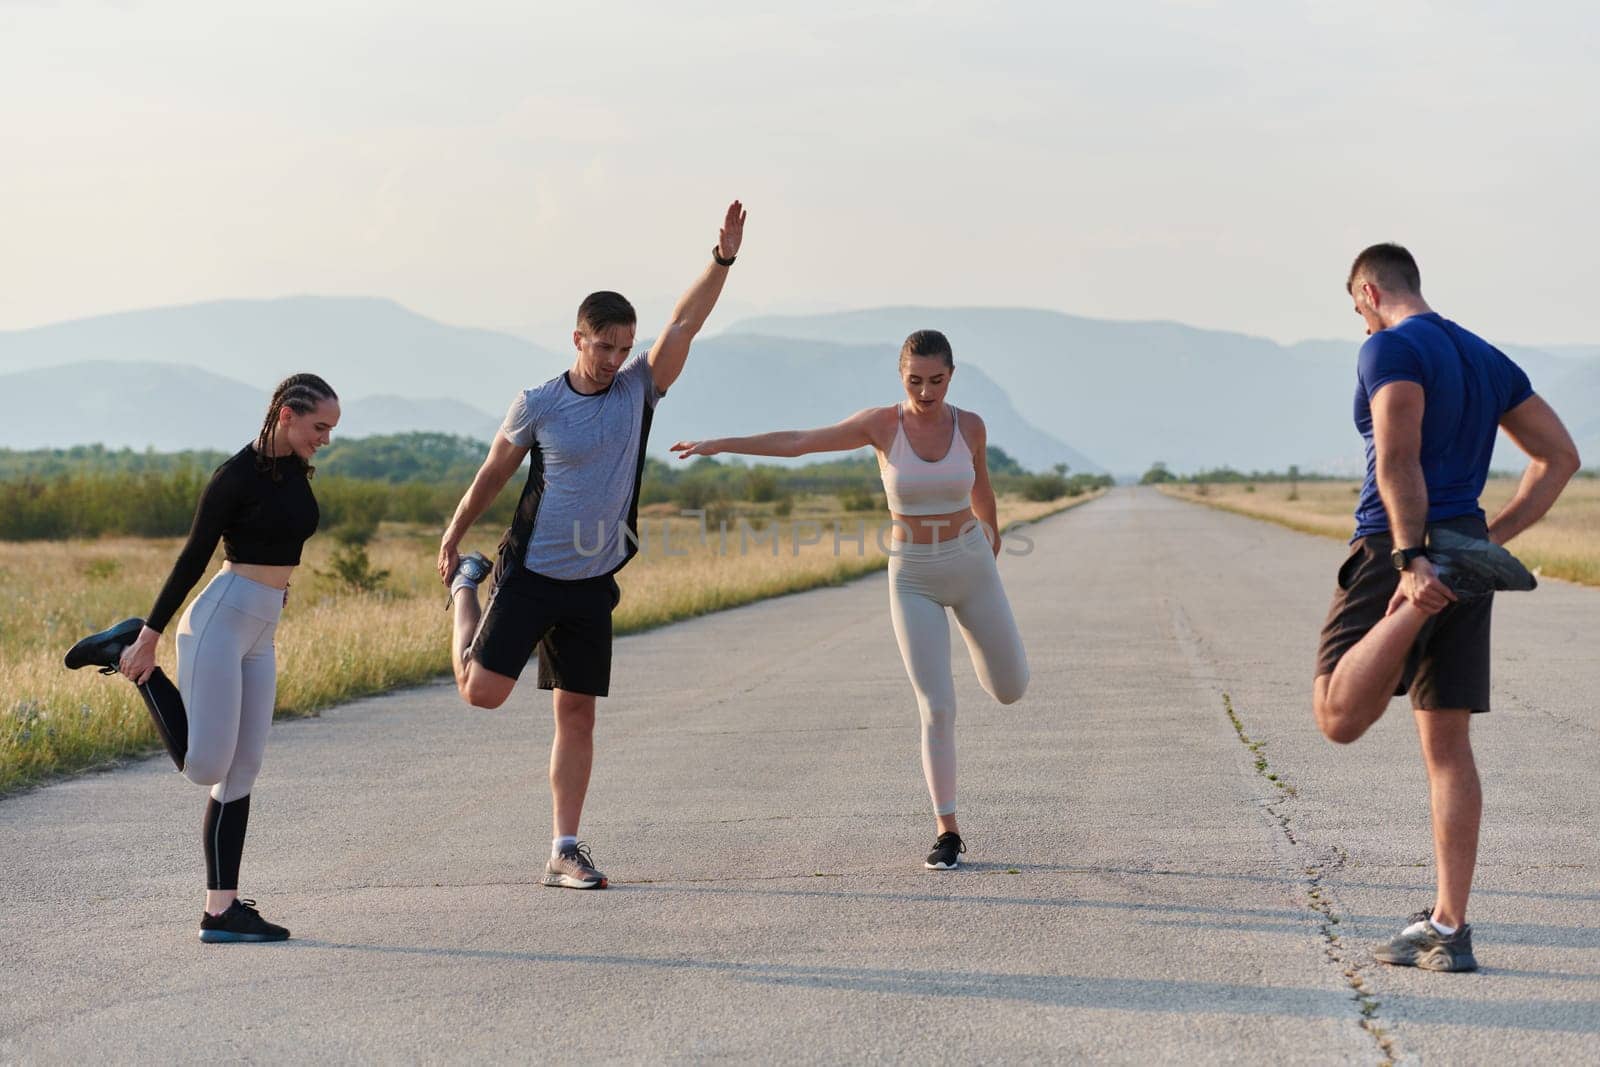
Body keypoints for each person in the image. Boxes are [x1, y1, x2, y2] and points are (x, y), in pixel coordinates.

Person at [438, 201, 746, 890]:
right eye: (602, 346)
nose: (612, 359)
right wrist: (457, 532)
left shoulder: (639, 389)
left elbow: (685, 322)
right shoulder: (539, 402)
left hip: (591, 580)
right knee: (481, 693)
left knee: (575, 712)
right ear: (578, 339)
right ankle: (466, 586)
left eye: (621, 346)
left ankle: (565, 847)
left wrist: (721, 259)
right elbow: (494, 473)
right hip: (533, 571)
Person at [1311, 244, 1580, 972]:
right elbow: (1559, 457)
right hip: (1463, 548)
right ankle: (1448, 927)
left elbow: (1398, 456)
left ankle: (1412, 607)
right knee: (1448, 748)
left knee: (1337, 715)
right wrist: (1485, 541)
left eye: (1356, 308)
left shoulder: (1390, 348)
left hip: (1396, 550)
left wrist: (1410, 560)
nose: (1360, 323)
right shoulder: (1485, 356)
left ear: (1368, 291)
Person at [670, 328, 1029, 869]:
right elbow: (799, 442)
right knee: (937, 706)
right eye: (915, 381)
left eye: (936, 381)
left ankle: (992, 660)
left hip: (971, 565)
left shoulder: (970, 425)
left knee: (1009, 689)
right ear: (900, 376)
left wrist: (992, 532)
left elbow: (981, 485)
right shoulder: (881, 425)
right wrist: (722, 444)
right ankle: (948, 831)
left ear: (952, 376)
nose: (926, 392)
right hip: (913, 576)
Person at [64, 373, 341, 943]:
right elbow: (193, 557)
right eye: (320, 427)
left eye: (331, 429)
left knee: (243, 771)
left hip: (259, 629)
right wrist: (152, 633)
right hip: (218, 621)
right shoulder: (234, 476)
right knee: (205, 767)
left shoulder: (292, 468)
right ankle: (126, 653)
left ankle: (222, 911)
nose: (326, 439)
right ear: (287, 414)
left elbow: (280, 539)